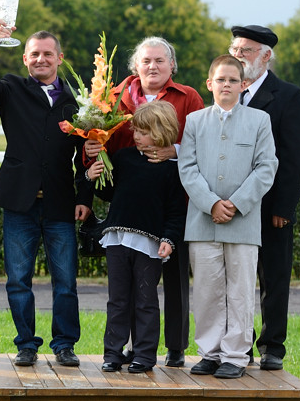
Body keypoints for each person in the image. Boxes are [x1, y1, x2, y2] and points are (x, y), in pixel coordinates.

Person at [0, 21, 93, 368]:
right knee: (18, 281)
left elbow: (87, 153)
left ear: (59, 58)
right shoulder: (11, 89)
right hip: (19, 204)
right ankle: (26, 343)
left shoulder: (77, 103)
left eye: (47, 54)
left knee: (66, 282)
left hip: (60, 204)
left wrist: (84, 196)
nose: (41, 59)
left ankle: (65, 344)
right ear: (25, 58)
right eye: (35, 54)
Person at [84, 36, 204, 367]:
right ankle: (130, 350)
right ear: (136, 66)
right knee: (129, 292)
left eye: (159, 61)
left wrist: (174, 152)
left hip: (171, 199)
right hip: (129, 204)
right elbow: (101, 138)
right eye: (146, 61)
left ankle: (175, 347)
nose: (152, 66)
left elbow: (202, 142)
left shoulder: (188, 97)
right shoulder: (114, 96)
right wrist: (93, 155)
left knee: (170, 281)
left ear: (171, 66)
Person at [179, 55, 278, 379]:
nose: (226, 85)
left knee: (240, 290)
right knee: (207, 291)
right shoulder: (194, 121)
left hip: (243, 223)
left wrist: (235, 203)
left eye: (233, 80)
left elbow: (266, 167)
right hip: (202, 221)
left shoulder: (259, 121)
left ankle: (235, 355)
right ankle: (209, 352)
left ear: (244, 85)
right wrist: (211, 203)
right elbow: (188, 168)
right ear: (209, 84)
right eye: (220, 80)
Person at [229, 25, 300, 370]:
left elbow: (295, 157)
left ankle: (272, 346)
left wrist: (284, 208)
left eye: (246, 50)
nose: (239, 56)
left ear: (266, 56)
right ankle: (238, 346)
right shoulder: (226, 92)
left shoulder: (288, 95)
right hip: (231, 205)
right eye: (235, 49)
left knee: (273, 278)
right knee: (236, 278)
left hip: (270, 206)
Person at [88, 101, 186, 373]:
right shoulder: (123, 158)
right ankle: (112, 352)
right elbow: (107, 193)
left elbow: (177, 212)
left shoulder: (172, 169)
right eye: (136, 130)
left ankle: (144, 355)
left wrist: (169, 239)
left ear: (161, 130)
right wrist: (95, 174)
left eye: (143, 131)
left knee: (145, 299)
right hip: (117, 239)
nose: (137, 136)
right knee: (117, 299)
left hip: (149, 245)